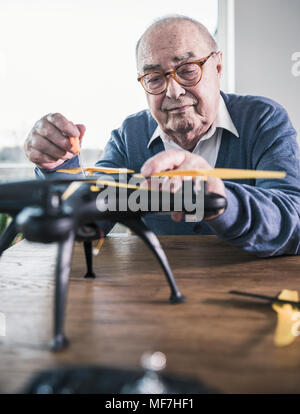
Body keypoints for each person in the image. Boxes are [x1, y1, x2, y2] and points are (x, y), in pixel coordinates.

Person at [24, 15, 300, 257]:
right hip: (158, 295)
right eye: (155, 78)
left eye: (188, 70)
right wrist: (58, 169)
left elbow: (294, 223)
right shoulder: (129, 136)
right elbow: (87, 224)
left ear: (217, 67)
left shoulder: (263, 119)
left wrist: (220, 198)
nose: (173, 91)